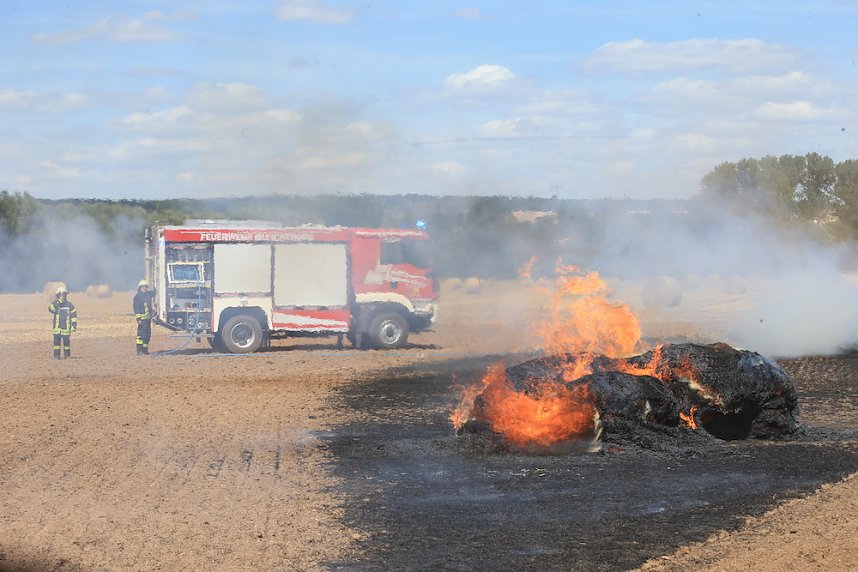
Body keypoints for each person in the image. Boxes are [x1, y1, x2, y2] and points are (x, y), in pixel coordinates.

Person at [49, 284, 77, 359]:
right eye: (60, 295)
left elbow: (74, 316)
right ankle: (56, 356)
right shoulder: (55, 304)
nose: (62, 296)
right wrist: (58, 303)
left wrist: (74, 326)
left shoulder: (69, 305)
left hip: (66, 329)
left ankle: (67, 356)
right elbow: (50, 308)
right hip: (57, 329)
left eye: (63, 294)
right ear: (57, 296)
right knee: (56, 344)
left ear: (66, 295)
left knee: (66, 343)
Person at [133, 279, 154, 355]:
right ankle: (139, 350)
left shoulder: (147, 295)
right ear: (139, 288)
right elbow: (136, 308)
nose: (144, 288)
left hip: (147, 319)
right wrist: (138, 319)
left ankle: (145, 350)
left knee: (147, 335)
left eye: (145, 287)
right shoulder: (138, 296)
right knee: (141, 335)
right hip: (142, 319)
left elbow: (153, 293)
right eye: (143, 287)